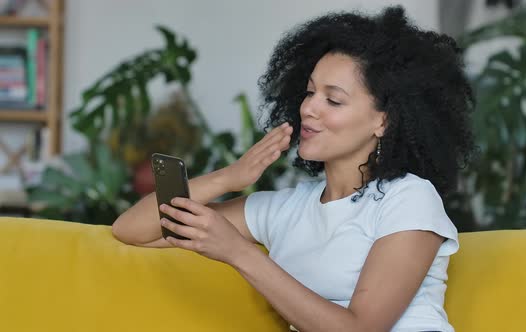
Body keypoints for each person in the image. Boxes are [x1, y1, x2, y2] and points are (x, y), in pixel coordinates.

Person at [112, 6, 475, 332]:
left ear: (384, 120)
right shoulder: (286, 210)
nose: (309, 109)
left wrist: (239, 253)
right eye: (309, 92)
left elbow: (359, 330)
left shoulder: (409, 198)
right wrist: (229, 177)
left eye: (333, 99)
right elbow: (131, 229)